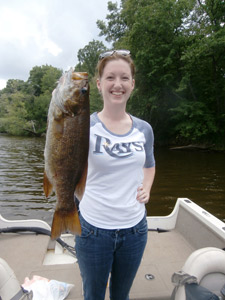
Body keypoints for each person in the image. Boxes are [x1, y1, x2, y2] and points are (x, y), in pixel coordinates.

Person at [75, 49, 156, 300]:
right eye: (110, 78)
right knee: (94, 294)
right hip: (93, 230)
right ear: (99, 85)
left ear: (133, 84)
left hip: (135, 229)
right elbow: (65, 165)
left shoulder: (144, 129)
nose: (117, 84)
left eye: (124, 77)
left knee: (122, 294)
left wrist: (148, 187)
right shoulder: (82, 126)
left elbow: (149, 165)